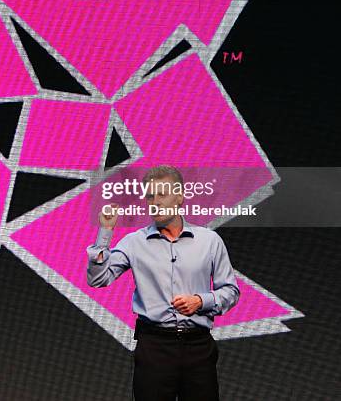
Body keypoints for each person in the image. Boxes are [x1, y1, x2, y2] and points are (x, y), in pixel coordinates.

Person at [86, 165, 240, 401]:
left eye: (162, 194)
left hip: (198, 348)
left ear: (179, 197)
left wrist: (201, 301)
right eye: (150, 196)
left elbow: (230, 291)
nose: (155, 202)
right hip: (154, 348)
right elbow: (98, 279)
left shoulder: (210, 241)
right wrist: (105, 232)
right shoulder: (134, 242)